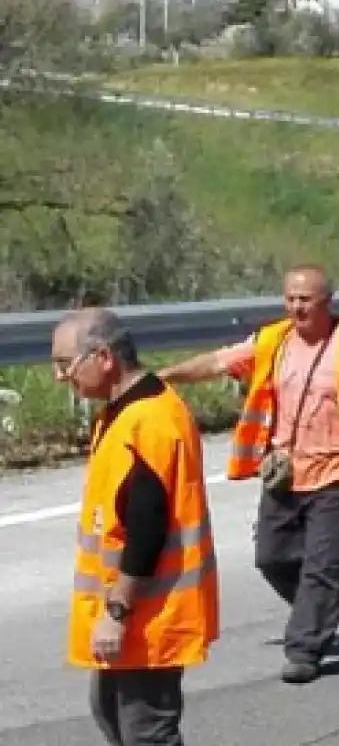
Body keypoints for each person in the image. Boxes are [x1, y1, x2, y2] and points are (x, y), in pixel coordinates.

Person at [159, 264, 339, 685]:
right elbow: (219, 362)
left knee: (322, 565)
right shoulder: (272, 340)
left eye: (305, 300)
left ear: (326, 302)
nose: (296, 307)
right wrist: (165, 376)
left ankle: (305, 648)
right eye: (290, 299)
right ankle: (316, 607)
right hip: (284, 472)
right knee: (271, 557)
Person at [55, 307, 220, 746]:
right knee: (112, 714)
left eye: (64, 364)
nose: (60, 377)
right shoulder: (123, 413)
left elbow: (147, 529)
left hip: (147, 615)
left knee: (146, 731)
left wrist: (116, 614)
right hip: (137, 612)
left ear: (104, 357)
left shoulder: (149, 422)